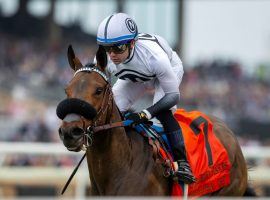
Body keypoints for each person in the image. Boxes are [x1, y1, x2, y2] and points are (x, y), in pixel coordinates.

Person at [96, 13, 195, 184]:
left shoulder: (155, 57)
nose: (112, 55)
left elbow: (172, 96)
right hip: (137, 77)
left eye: (118, 47)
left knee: (162, 111)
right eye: (107, 48)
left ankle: (183, 162)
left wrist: (144, 114)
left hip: (167, 70)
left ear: (132, 43)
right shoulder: (106, 58)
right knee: (112, 109)